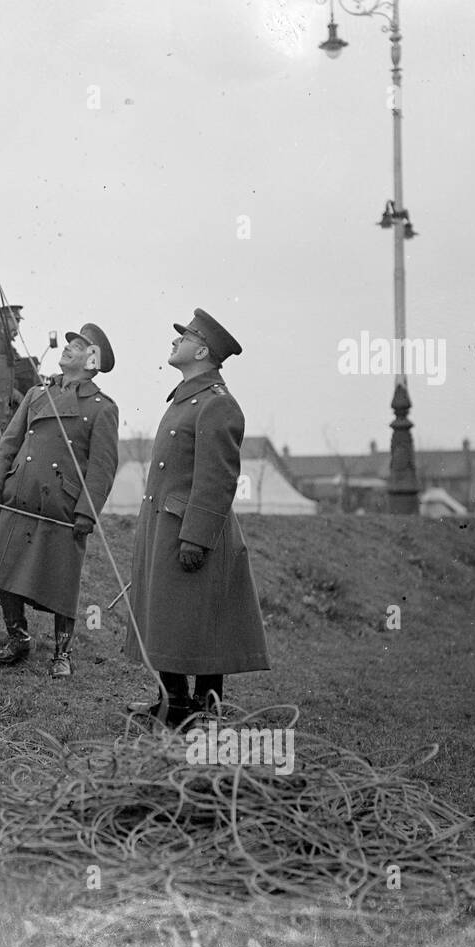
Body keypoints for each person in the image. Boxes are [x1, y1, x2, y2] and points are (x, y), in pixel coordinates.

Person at [124, 309, 269, 726]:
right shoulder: (187, 398)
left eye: (183, 337)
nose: (174, 343)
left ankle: (206, 708)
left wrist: (197, 538)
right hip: (167, 525)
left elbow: (218, 480)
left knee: (205, 620)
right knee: (169, 617)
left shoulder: (217, 406)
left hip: (194, 530)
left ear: (202, 350)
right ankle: (173, 703)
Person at [0, 324, 119, 678]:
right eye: (69, 344)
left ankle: (62, 654)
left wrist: (87, 512)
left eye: (79, 347)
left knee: (62, 581)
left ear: (92, 361)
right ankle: (17, 637)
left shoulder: (101, 408)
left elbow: (102, 468)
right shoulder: (37, 394)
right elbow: (8, 444)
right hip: (19, 495)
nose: (68, 349)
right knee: (5, 567)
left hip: (61, 508)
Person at [0, 305, 37, 432]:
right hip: (0, 396)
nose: (17, 326)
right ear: (6, 319)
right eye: (16, 321)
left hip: (5, 393)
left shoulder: (3, 340)